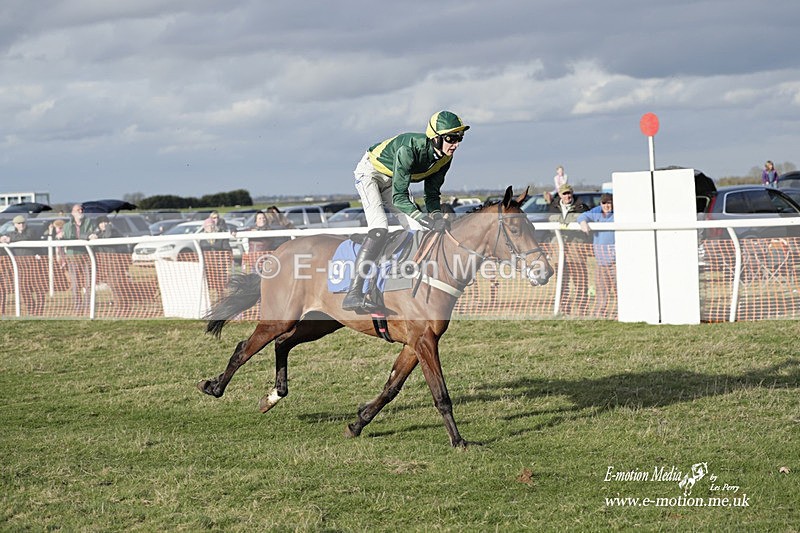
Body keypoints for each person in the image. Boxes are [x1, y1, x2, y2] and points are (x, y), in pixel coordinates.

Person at [343, 110, 470, 313]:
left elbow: (432, 194)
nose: (456, 144)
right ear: (435, 138)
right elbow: (399, 198)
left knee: (418, 229)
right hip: (371, 174)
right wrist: (423, 216)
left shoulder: (445, 158)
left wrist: (435, 216)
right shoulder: (408, 149)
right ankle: (354, 292)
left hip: (393, 179)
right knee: (379, 228)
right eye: (451, 138)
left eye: (459, 138)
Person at [548, 184, 590, 315]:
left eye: (569, 193)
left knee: (580, 283)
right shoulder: (552, 208)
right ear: (560, 195)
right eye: (564, 194)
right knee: (562, 283)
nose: (567, 196)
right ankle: (564, 310)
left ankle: (582, 311)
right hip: (559, 251)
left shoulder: (582, 207)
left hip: (576, 250)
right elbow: (550, 224)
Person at [578, 193, 616, 318]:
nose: (606, 205)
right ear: (600, 204)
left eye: (609, 202)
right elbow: (583, 215)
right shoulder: (597, 212)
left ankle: (621, 312)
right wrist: (583, 223)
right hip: (601, 261)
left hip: (616, 261)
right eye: (604, 203)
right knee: (601, 290)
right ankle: (600, 313)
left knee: (618, 289)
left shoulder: (617, 214)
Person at [0, 215, 47, 315]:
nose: (21, 225)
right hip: (20, 265)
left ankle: (39, 310)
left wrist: (9, 239)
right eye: (19, 223)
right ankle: (31, 309)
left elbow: (25, 237)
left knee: (39, 288)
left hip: (34, 264)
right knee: (23, 288)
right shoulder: (10, 234)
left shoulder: (31, 232)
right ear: (15, 225)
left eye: (23, 223)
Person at [62, 204, 97, 312]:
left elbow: (92, 234)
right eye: (78, 210)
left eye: (82, 209)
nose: (80, 211)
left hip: (86, 256)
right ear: (73, 213)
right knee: (75, 284)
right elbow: (69, 238)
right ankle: (78, 305)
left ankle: (88, 305)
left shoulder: (90, 222)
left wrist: (87, 236)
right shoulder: (67, 226)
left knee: (88, 283)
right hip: (72, 257)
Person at [201, 211, 232, 294]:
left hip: (220, 266)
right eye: (207, 226)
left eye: (211, 225)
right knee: (210, 288)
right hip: (208, 267)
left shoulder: (221, 236)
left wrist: (227, 264)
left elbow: (226, 250)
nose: (210, 228)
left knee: (222, 288)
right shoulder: (202, 239)